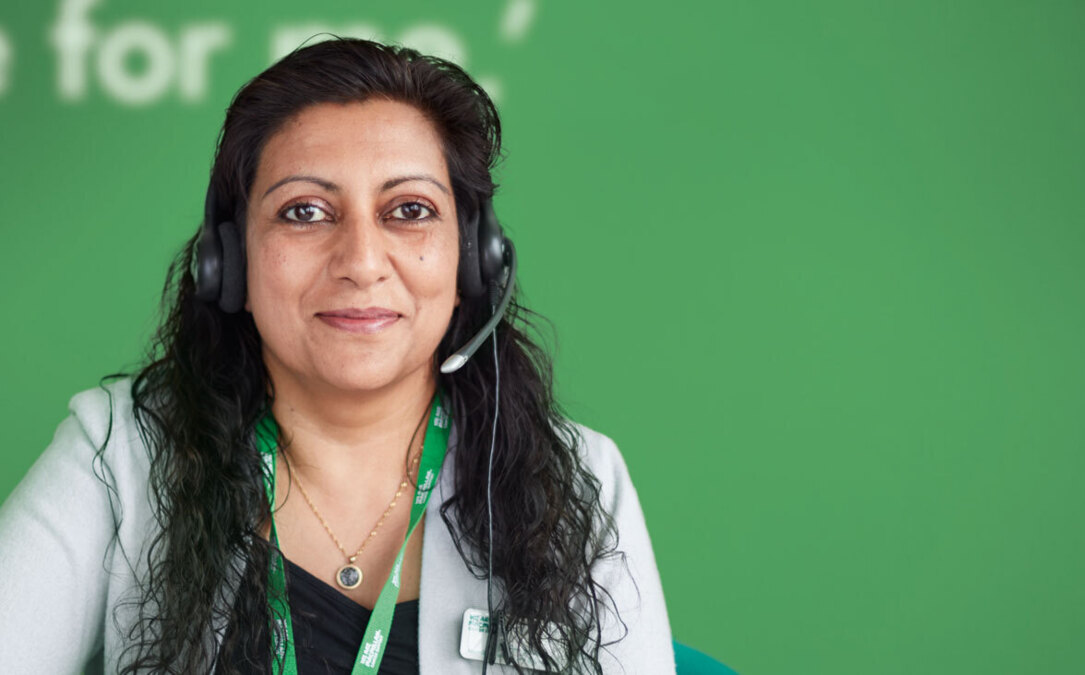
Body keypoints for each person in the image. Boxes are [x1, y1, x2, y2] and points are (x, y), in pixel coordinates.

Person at [0, 37, 674, 674]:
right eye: (304, 212)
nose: (360, 261)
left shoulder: (580, 479)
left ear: (474, 260)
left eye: (409, 209)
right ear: (228, 263)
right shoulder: (121, 451)